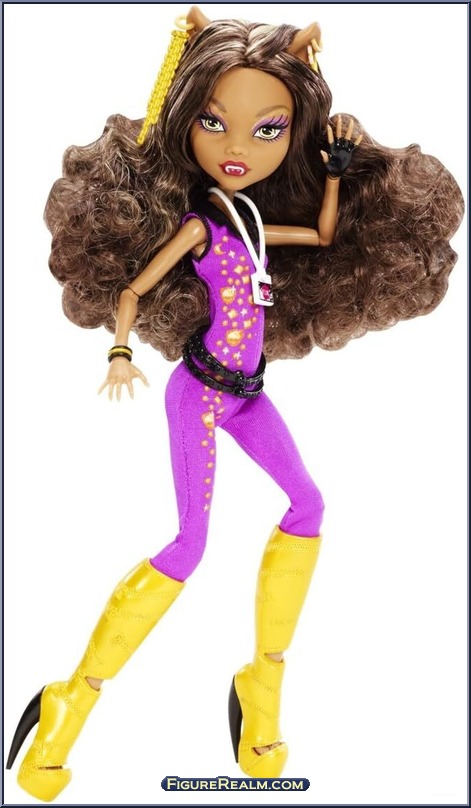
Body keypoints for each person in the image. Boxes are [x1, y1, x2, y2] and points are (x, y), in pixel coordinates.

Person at [6, 5, 464, 803]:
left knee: (308, 504)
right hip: (200, 395)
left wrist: (332, 172)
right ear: (183, 121)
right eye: (213, 122)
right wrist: (120, 350)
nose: (236, 147)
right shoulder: (197, 229)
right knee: (189, 545)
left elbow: (320, 236)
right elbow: (135, 290)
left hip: (249, 397)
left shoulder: (253, 223)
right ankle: (69, 701)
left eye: (267, 129)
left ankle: (261, 686)